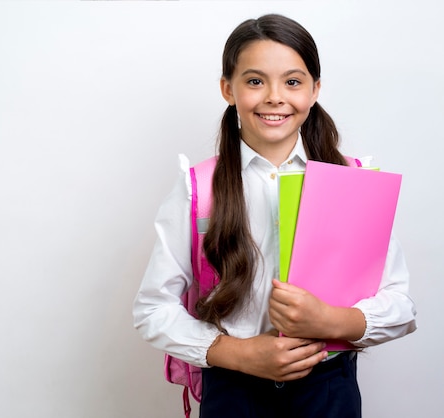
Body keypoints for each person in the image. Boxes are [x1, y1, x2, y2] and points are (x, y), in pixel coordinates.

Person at [132, 13, 417, 418]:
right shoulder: (198, 188)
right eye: (254, 81)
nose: (274, 96)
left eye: (293, 81)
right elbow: (152, 308)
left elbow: (401, 307)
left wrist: (332, 320)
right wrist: (238, 354)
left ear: (315, 90)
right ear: (227, 89)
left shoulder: (352, 181)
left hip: (328, 389)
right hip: (233, 388)